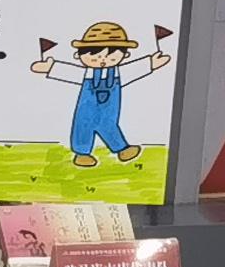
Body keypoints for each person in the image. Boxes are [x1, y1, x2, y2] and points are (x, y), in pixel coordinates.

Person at [24, 20, 170, 168]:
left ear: (125, 55)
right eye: (94, 56)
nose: (102, 60)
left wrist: (151, 63)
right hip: (87, 109)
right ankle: (82, 153)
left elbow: (135, 69)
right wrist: (49, 67)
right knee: (83, 125)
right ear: (78, 55)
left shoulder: (119, 73)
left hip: (109, 109)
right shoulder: (85, 74)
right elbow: (69, 72)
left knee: (109, 125)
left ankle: (122, 149)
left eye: (111, 57)